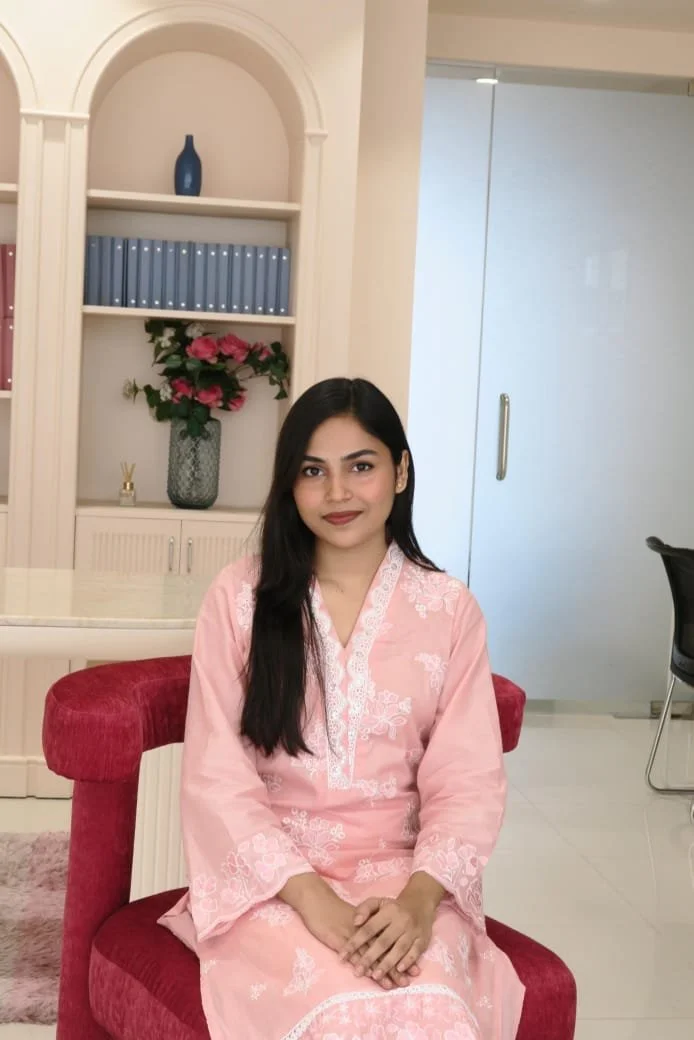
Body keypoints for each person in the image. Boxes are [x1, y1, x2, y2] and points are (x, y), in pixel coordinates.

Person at [160, 377, 525, 1039]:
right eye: (312, 472)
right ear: (288, 484)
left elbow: (467, 780)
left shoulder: (449, 611)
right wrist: (312, 899)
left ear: (401, 470)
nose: (337, 494)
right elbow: (217, 774)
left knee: (431, 1009)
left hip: (406, 883)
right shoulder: (240, 598)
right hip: (274, 884)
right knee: (341, 1010)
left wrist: (418, 902)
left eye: (361, 467)